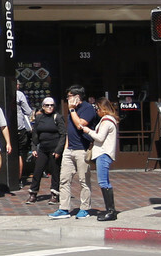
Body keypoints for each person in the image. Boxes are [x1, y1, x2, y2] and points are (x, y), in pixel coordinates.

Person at [52, 87, 96, 220]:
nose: (68, 99)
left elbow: (80, 125)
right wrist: (66, 148)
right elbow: (69, 131)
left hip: (82, 149)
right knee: (64, 179)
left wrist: (72, 110)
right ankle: (63, 208)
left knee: (84, 181)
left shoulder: (87, 108)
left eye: (70, 96)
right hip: (69, 149)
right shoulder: (72, 110)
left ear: (78, 96)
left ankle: (84, 208)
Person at [27, 96, 65, 204]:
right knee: (37, 171)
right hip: (42, 148)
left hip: (54, 148)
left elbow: (63, 135)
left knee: (55, 171)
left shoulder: (58, 117)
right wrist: (34, 147)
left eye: (52, 105)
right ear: (43, 107)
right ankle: (33, 193)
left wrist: (58, 150)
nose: (49, 107)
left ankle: (54, 194)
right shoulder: (39, 118)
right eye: (47, 105)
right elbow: (35, 133)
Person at [90, 98, 121, 220]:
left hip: (103, 154)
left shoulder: (107, 121)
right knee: (104, 182)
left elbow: (100, 137)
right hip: (103, 153)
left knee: (103, 182)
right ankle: (110, 210)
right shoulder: (107, 120)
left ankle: (111, 211)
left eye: (97, 108)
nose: (97, 111)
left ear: (103, 109)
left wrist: (88, 131)